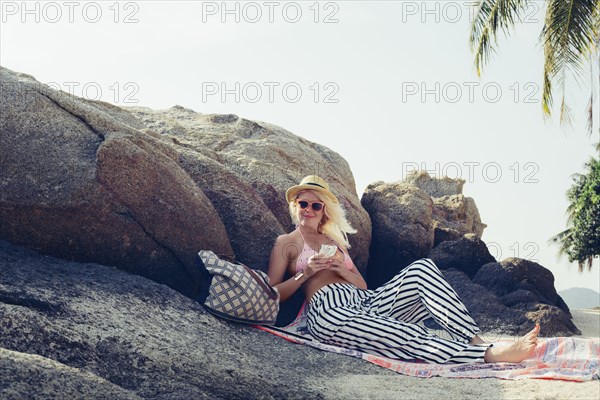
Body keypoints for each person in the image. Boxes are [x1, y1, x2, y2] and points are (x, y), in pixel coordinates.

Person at [267, 175, 540, 364]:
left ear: (324, 210)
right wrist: (307, 273)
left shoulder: (335, 242)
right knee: (397, 333)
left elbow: (361, 285)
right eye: (304, 203)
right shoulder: (286, 243)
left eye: (316, 205)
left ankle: (477, 342)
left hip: (365, 301)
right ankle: (488, 356)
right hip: (329, 310)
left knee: (423, 268)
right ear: (295, 205)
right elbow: (274, 293)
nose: (309, 209)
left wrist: (342, 266)